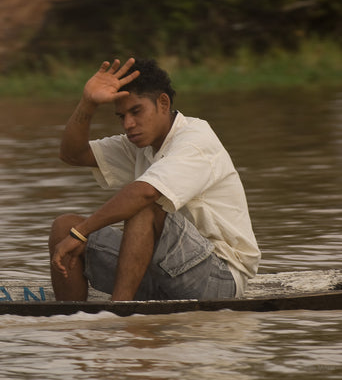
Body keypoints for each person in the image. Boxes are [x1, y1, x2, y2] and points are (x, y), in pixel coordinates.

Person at [49, 58, 260, 301]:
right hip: (160, 271)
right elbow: (72, 154)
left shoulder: (195, 139)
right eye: (122, 116)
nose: (128, 124)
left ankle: (120, 314)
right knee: (63, 228)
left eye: (136, 111)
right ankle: (72, 321)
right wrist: (87, 103)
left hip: (218, 278)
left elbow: (146, 193)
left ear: (163, 103)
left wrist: (82, 233)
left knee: (144, 205)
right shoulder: (139, 144)